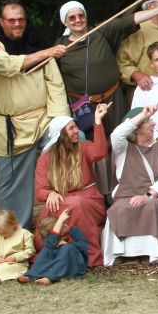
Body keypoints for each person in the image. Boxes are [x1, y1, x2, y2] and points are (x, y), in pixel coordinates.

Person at [57, 0, 158, 152]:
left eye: (81, 15)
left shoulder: (101, 31)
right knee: (90, 146)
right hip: (84, 107)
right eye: (72, 17)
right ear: (65, 22)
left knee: (119, 139)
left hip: (112, 99)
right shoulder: (60, 47)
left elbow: (133, 19)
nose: (78, 20)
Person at [0, 40, 70, 228]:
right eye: (12, 23)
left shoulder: (38, 45)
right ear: (2, 24)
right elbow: (7, 65)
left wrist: (62, 122)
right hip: (11, 127)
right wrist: (47, 52)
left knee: (72, 142)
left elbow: (56, 87)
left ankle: (68, 220)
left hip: (43, 119)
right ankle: (14, 233)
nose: (17, 25)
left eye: (21, 22)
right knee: (14, 183)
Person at [35, 105, 111, 267]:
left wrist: (97, 121)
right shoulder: (46, 158)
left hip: (88, 198)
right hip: (61, 199)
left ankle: (87, 256)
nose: (76, 131)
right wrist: (49, 194)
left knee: (76, 204)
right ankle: (51, 255)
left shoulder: (83, 148)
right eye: (71, 129)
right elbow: (40, 190)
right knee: (52, 209)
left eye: (75, 127)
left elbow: (99, 152)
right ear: (61, 135)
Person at [103, 105, 158, 264]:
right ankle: (119, 254)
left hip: (153, 196)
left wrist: (147, 195)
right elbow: (117, 134)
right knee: (119, 208)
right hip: (125, 195)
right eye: (148, 121)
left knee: (151, 206)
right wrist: (142, 115)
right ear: (136, 128)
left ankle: (150, 253)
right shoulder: (123, 148)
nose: (153, 124)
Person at [21, 209, 88, 285]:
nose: (65, 225)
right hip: (55, 265)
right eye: (61, 225)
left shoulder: (74, 231)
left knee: (67, 248)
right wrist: (58, 226)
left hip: (74, 264)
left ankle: (50, 278)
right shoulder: (51, 239)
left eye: (64, 223)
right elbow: (50, 246)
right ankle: (32, 275)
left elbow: (83, 247)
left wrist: (69, 243)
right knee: (46, 251)